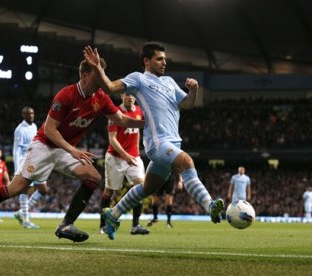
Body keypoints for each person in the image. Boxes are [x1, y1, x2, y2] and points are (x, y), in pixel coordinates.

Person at [0, 57, 145, 243]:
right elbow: (50, 130)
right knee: (17, 188)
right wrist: (73, 150)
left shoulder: (101, 98)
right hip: (44, 145)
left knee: (93, 177)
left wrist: (149, 123)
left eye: (104, 74)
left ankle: (66, 226)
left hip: (65, 149)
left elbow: (122, 119)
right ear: (85, 76)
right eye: (98, 75)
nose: (103, 80)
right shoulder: (66, 95)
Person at [84, 42, 225, 240]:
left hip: (173, 142)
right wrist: (97, 67)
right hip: (158, 144)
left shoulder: (168, 81)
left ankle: (113, 214)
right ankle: (210, 205)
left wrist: (194, 91)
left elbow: (187, 104)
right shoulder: (138, 79)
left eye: (165, 59)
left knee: (146, 189)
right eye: (159, 59)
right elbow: (109, 87)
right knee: (187, 162)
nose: (164, 62)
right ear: (146, 60)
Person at [99, 93, 150, 235]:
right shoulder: (114, 113)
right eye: (127, 94)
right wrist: (125, 155)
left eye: (133, 95)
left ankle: (135, 225)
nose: (130, 97)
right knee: (109, 191)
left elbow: (138, 132)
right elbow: (112, 139)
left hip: (133, 157)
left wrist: (136, 151)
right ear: (122, 96)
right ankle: (103, 225)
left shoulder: (139, 111)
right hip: (115, 158)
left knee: (141, 187)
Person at [12, 106, 47, 229]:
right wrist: (18, 168)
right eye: (28, 114)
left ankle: (20, 213)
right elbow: (16, 150)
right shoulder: (20, 130)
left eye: (32, 113)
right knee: (26, 190)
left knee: (43, 189)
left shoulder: (34, 126)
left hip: (36, 160)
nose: (31, 116)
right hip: (25, 162)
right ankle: (26, 220)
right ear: (23, 115)